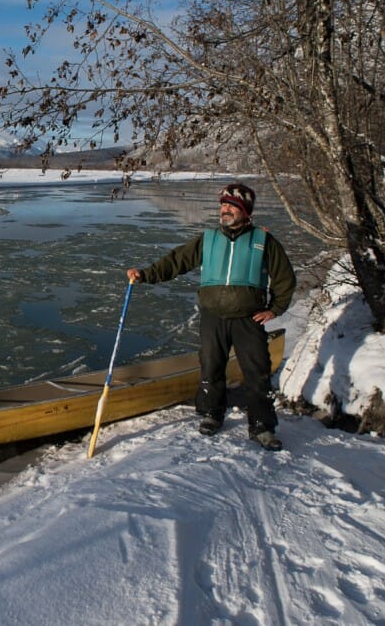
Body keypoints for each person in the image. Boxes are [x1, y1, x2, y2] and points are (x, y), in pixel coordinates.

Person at [126, 183, 296, 451]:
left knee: (257, 372)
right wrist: (146, 274)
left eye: (231, 206)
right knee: (210, 367)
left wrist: (274, 309)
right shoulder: (208, 239)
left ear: (245, 211)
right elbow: (176, 261)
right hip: (213, 317)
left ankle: (262, 426)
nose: (225, 210)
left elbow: (285, 277)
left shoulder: (263, 241)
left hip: (248, 319)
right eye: (223, 205)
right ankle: (212, 414)